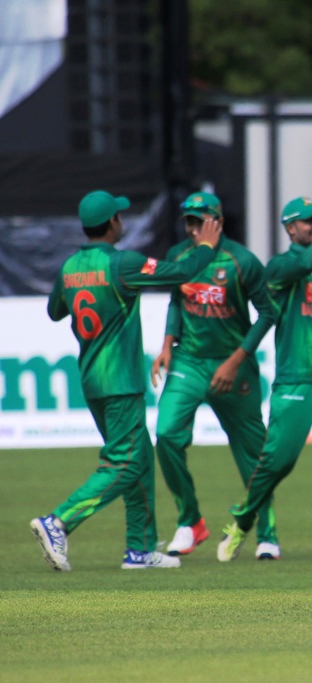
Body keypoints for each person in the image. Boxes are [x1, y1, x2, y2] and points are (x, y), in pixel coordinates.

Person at [31, 189, 222, 571]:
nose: (123, 221)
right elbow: (182, 273)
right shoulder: (122, 263)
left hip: (92, 380)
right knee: (123, 463)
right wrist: (206, 247)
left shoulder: (71, 267)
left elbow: (55, 311)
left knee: (138, 461)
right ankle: (59, 521)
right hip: (120, 380)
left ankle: (140, 548)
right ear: (113, 223)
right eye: (120, 216)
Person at [217, 190, 312, 564]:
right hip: (296, 381)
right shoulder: (278, 269)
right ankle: (242, 520)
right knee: (278, 463)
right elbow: (303, 266)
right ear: (290, 229)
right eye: (310, 221)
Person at [150, 192, 280, 560]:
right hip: (189, 361)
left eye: (199, 222)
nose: (192, 229)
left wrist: (235, 360)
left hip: (233, 366)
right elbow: (177, 300)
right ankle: (190, 521)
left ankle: (267, 533)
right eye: (188, 222)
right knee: (166, 436)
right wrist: (166, 344)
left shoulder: (242, 261)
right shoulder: (179, 256)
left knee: (253, 455)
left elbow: (268, 314)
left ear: (217, 222)